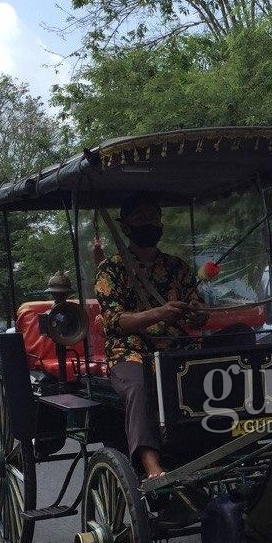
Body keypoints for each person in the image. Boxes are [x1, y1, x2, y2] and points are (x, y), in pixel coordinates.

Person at [94, 198, 205, 480]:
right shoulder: (111, 270)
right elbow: (115, 321)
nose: (150, 226)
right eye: (142, 220)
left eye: (154, 220)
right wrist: (159, 313)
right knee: (140, 387)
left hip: (178, 350)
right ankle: (152, 467)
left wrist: (197, 315)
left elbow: (199, 311)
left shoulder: (177, 268)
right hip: (130, 352)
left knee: (217, 364)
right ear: (126, 228)